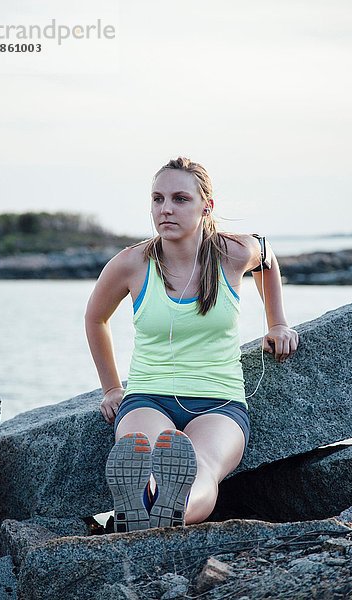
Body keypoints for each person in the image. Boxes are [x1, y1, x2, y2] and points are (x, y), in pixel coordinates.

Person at [85, 156, 299, 533]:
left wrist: (277, 322)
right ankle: (146, 504)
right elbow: (95, 318)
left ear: (206, 206)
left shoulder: (232, 253)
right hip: (148, 397)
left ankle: (164, 510)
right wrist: (112, 388)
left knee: (201, 466)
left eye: (180, 199)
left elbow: (266, 254)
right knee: (145, 455)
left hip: (220, 402)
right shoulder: (132, 263)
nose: (166, 209)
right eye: (158, 199)